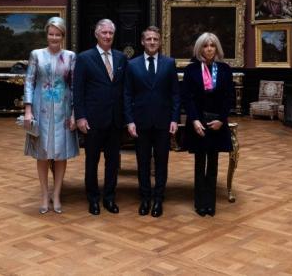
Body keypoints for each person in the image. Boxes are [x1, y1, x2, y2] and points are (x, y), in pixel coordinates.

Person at [123, 26, 180, 218]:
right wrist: (129, 121)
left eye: (156, 39)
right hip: (141, 123)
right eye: (149, 39)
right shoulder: (132, 65)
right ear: (142, 41)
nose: (152, 42)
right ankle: (145, 198)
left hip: (164, 122)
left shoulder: (169, 63)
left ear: (160, 42)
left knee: (162, 162)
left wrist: (174, 119)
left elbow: (175, 94)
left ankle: (158, 199)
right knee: (143, 162)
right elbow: (127, 94)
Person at [23, 17, 78, 214]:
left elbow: (74, 86)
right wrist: (28, 110)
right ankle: (44, 194)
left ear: (63, 36)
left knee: (61, 153)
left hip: (63, 111)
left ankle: (57, 194)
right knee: (43, 153)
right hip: (41, 109)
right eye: (51, 33)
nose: (54, 37)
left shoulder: (71, 56)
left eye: (58, 34)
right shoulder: (36, 55)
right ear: (47, 34)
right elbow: (29, 81)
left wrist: (74, 113)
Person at [73, 19, 127, 215]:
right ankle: (93, 198)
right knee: (92, 161)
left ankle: (110, 198)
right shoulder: (84, 58)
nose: (107, 36)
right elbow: (77, 91)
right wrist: (80, 117)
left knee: (113, 162)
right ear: (96, 34)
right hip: (93, 120)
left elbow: (124, 90)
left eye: (110, 33)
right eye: (104, 33)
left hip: (115, 119)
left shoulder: (121, 58)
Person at [181, 32, 233, 217]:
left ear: (216, 48)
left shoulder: (225, 69)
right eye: (205, 45)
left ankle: (210, 204)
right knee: (199, 164)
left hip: (217, 123)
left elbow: (229, 98)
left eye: (212, 45)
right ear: (199, 48)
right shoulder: (191, 70)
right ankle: (199, 203)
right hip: (198, 123)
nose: (209, 49)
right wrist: (194, 120)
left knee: (213, 165)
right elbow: (187, 98)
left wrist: (221, 120)